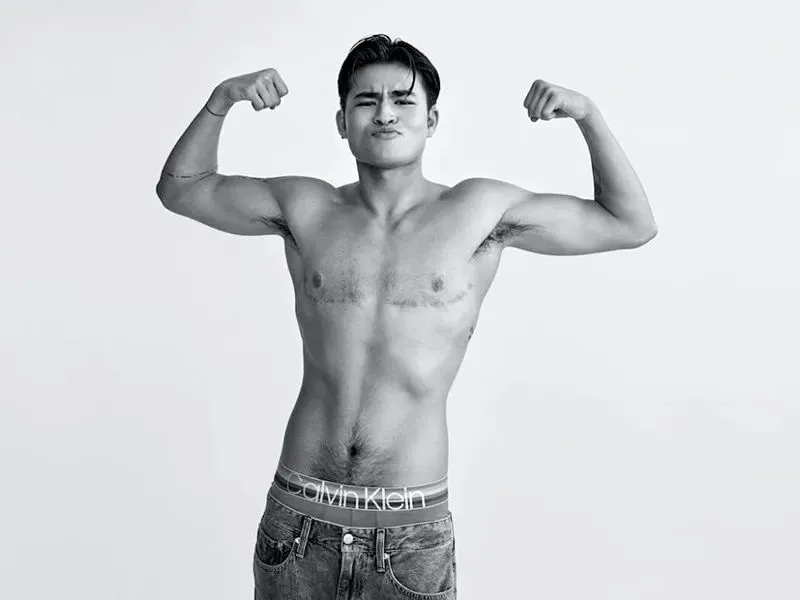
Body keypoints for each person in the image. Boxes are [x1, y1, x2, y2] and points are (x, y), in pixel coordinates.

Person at [156, 33, 657, 599]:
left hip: (409, 533)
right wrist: (221, 100)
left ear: (431, 119)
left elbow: (630, 224)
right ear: (342, 122)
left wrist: (588, 116)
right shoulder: (306, 207)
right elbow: (182, 190)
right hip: (299, 522)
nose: (385, 113)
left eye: (402, 99)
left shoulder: (479, 211)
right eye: (366, 101)